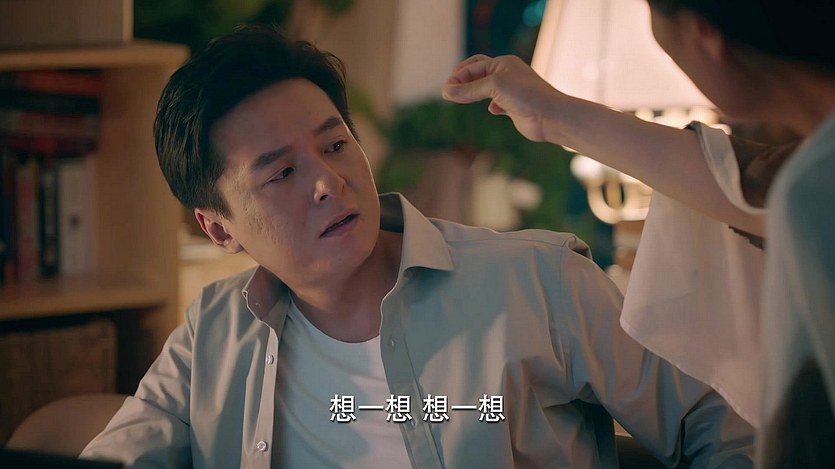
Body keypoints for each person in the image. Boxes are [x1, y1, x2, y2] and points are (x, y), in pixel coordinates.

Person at [80, 24, 754, 468]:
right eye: (281, 173)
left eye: (335, 144)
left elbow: (725, 433)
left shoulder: (537, 281)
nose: (328, 182)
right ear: (219, 227)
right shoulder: (213, 331)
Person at [443, 0, 835, 465]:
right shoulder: (811, 177)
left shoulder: (814, 188)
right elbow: (747, 186)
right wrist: (550, 113)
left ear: (703, 35)